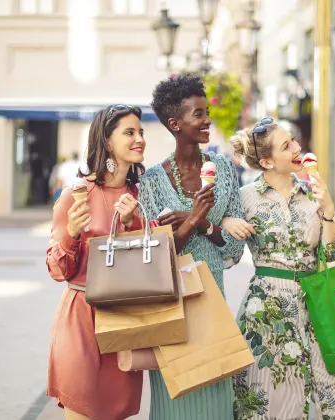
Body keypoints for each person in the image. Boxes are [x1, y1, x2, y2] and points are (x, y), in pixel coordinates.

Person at [223, 118, 335, 420]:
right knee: (272, 404)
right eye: (287, 145)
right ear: (266, 161)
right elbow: (229, 256)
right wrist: (226, 223)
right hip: (268, 312)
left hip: (319, 304)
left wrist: (328, 210)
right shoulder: (245, 197)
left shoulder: (312, 192)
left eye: (294, 141)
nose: (298, 148)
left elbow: (331, 254)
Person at [138, 74, 250, 420]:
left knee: (215, 399)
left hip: (213, 301)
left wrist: (201, 221)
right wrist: (193, 220)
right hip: (170, 306)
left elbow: (233, 247)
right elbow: (155, 255)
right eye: (198, 114)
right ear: (175, 123)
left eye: (207, 112)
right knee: (175, 401)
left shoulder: (226, 172)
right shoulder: (152, 181)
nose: (207, 120)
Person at [46, 105, 146, 420]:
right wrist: (72, 232)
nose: (140, 139)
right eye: (129, 132)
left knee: (116, 411)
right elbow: (57, 270)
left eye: (140, 132)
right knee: (83, 409)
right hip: (82, 319)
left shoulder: (140, 195)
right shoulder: (76, 195)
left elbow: (150, 263)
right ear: (106, 140)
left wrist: (132, 224)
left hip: (125, 318)